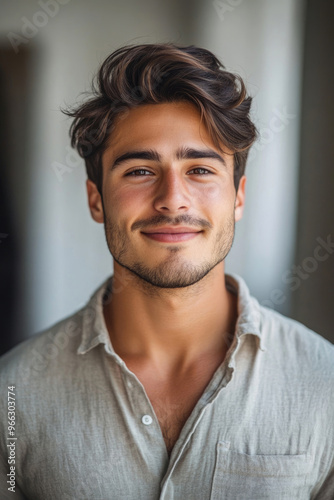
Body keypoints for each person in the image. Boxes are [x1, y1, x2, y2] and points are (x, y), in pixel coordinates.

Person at [0, 43, 333, 500]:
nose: (173, 199)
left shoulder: (325, 385)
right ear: (96, 199)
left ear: (238, 197)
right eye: (139, 171)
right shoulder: (12, 397)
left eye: (199, 169)